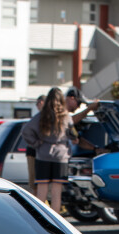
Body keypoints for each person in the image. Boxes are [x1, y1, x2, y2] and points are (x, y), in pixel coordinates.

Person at [23, 87, 97, 215]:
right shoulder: (65, 116)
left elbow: (26, 130)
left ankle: (40, 218)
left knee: (41, 189)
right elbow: (73, 134)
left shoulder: (41, 116)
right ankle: (55, 218)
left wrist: (37, 143)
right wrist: (73, 138)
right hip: (61, 156)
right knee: (56, 192)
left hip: (43, 155)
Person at [24, 95, 46, 190]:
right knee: (35, 181)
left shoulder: (43, 116)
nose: (37, 105)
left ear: (42, 102)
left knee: (38, 181)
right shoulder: (39, 117)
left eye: (38, 103)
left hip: (38, 151)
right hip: (34, 150)